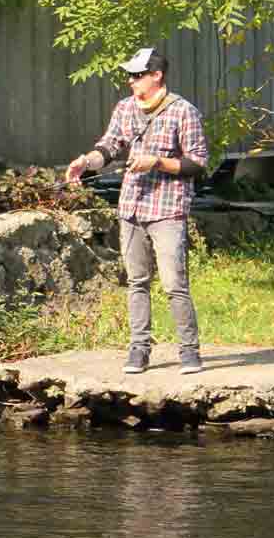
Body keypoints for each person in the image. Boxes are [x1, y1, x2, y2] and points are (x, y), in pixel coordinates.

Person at [65, 47, 209, 375]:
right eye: (130, 75)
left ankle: (189, 352)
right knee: (137, 282)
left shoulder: (183, 111)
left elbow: (198, 163)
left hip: (168, 210)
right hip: (130, 208)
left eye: (137, 75)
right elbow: (109, 146)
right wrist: (85, 163)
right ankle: (139, 351)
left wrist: (157, 162)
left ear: (156, 75)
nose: (131, 81)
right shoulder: (125, 108)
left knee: (174, 284)